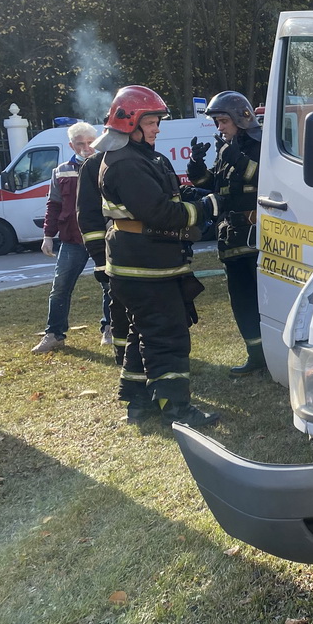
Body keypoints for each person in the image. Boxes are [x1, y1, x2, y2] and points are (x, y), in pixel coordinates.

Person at [96, 85, 219, 427]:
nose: (156, 129)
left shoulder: (140, 157)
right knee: (168, 335)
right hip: (145, 268)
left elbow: (168, 197)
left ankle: (138, 402)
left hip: (145, 264)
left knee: (144, 332)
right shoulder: (125, 163)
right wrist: (207, 208)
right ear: (129, 122)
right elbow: (161, 214)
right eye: (151, 122)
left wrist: (194, 194)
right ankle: (176, 408)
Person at [187, 91, 264, 375]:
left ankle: (272, 353)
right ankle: (256, 355)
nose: (219, 128)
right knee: (241, 300)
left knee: (260, 299)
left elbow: (263, 176)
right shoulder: (225, 148)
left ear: (240, 118)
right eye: (217, 122)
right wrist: (196, 166)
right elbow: (215, 184)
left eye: (222, 121)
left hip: (256, 238)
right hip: (230, 238)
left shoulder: (260, 144)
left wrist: (234, 156)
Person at [31, 122, 98, 353]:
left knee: (112, 285)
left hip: (103, 237)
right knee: (60, 287)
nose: (86, 148)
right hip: (72, 239)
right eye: (80, 144)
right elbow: (54, 205)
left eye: (90, 143)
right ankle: (54, 335)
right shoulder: (60, 171)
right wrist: (48, 236)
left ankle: (111, 329)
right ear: (71, 145)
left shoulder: (107, 165)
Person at [76, 125, 130, 365]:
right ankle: (125, 357)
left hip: (144, 251)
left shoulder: (143, 158)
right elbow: (88, 214)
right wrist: (99, 259)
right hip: (112, 250)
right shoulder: (92, 166)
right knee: (118, 306)